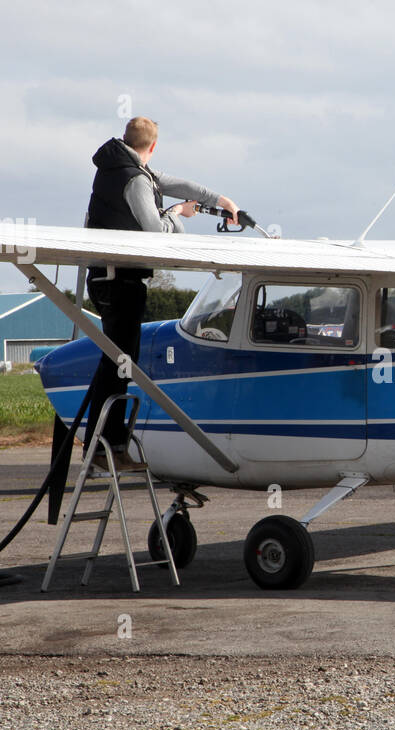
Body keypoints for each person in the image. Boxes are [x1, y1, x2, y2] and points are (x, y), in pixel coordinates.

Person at [82, 116, 238, 468]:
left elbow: (172, 182)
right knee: (122, 365)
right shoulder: (136, 179)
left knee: (116, 362)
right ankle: (109, 449)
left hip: (109, 279)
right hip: (119, 282)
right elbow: (156, 229)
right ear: (152, 147)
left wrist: (220, 200)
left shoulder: (124, 169)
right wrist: (177, 215)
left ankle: (100, 448)